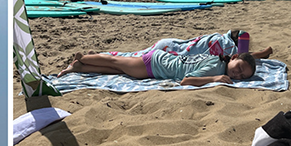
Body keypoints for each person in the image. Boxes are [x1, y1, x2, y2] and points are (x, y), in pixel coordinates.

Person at [57, 50, 256, 87]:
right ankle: (83, 57)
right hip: (155, 64)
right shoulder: (216, 68)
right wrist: (213, 79)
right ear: (234, 57)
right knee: (115, 62)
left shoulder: (219, 61)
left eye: (242, 76)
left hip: (158, 63)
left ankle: (81, 67)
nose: (237, 74)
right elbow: (186, 80)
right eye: (238, 68)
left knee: (118, 69)